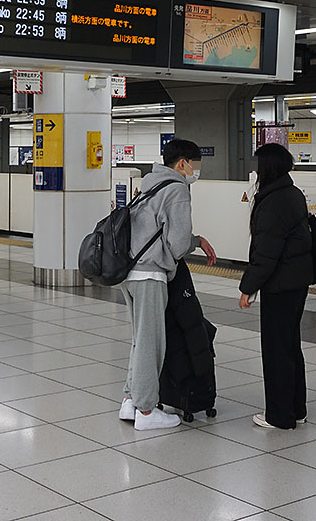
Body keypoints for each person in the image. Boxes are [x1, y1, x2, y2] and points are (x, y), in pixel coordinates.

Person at [120, 138, 217, 431]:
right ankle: (146, 411)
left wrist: (195, 240)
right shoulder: (177, 189)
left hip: (130, 271)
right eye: (195, 164)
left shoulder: (149, 184)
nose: (196, 171)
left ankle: (130, 400)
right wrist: (193, 243)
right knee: (151, 343)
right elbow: (177, 244)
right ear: (183, 162)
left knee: (140, 339)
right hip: (150, 274)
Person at [238, 143, 313, 430]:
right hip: (296, 282)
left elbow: (267, 252)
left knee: (276, 350)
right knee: (290, 345)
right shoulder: (292, 193)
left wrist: (248, 287)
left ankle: (280, 416)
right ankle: (296, 409)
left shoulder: (274, 201)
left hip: (280, 285)